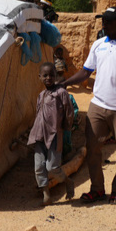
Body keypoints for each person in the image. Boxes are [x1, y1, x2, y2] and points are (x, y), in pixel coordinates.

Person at [61, 6, 116, 205]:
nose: (104, 24)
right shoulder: (98, 44)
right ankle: (97, 189)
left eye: (108, 21)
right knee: (92, 149)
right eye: (103, 21)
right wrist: (63, 83)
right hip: (98, 105)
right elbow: (85, 72)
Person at [29, 62, 75, 205]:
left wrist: (66, 129)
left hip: (55, 135)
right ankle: (46, 195)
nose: (48, 78)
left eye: (51, 75)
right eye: (45, 75)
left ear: (55, 76)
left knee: (52, 167)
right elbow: (38, 113)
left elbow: (69, 112)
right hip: (39, 135)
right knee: (39, 167)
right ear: (39, 77)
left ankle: (68, 181)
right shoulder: (41, 95)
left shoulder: (61, 93)